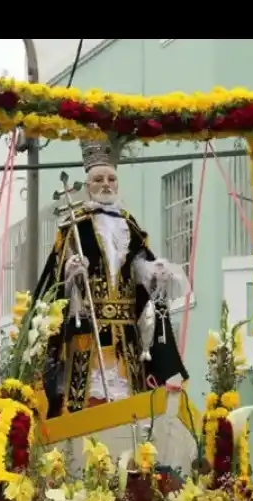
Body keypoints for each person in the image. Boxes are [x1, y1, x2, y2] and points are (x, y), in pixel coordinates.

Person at [35, 138, 189, 418]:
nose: (106, 184)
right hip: (87, 329)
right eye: (98, 179)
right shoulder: (75, 224)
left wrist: (155, 272)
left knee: (128, 400)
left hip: (126, 334)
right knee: (87, 401)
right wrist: (72, 268)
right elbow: (56, 278)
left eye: (111, 179)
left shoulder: (130, 225)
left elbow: (138, 266)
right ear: (88, 185)